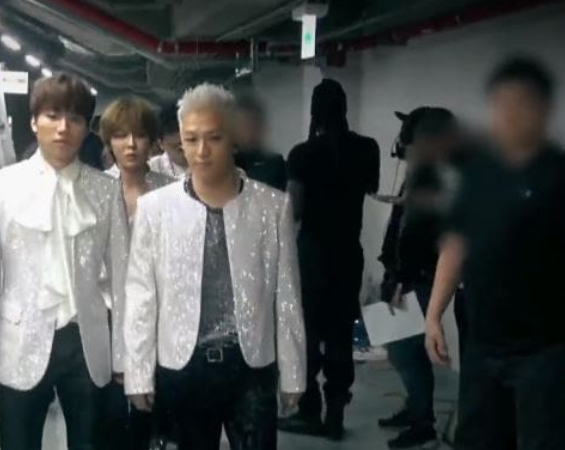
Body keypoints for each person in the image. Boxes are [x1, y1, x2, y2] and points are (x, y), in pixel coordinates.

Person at [124, 83, 306, 450]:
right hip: (183, 364)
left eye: (214, 138)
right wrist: (138, 372)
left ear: (233, 138)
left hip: (251, 365)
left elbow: (287, 294)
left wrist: (294, 372)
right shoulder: (156, 209)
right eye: (191, 140)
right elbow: (142, 296)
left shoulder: (271, 207)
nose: (201, 151)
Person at [0, 73, 129, 450]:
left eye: (75, 118)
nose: (63, 127)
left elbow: (121, 278)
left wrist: (125, 354)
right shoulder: (0, 187)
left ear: (87, 128)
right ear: (35, 121)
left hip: (87, 342)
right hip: (19, 339)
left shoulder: (106, 190)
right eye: (53, 115)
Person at [425, 57, 565, 450]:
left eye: (521, 102)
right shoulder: (480, 175)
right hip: (483, 346)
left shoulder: (557, 176)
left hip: (544, 352)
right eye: (501, 103)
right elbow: (455, 246)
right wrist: (434, 314)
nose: (510, 113)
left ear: (543, 108)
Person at [279, 78, 380, 440]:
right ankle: (335, 411)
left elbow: (295, 210)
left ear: (314, 111)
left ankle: (309, 411)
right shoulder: (368, 148)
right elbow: (371, 188)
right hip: (348, 253)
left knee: (307, 334)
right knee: (340, 333)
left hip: (312, 255)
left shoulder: (302, 154)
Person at [377, 107, 460, 449]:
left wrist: (402, 279)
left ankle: (422, 422)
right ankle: (416, 407)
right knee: (397, 347)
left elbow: (421, 234)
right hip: (404, 273)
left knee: (404, 350)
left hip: (417, 276)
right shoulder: (423, 175)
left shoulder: (441, 177)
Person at [96, 96, 174, 450]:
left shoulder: (171, 191)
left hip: (160, 316)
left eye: (140, 135)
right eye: (120, 135)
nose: (130, 144)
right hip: (106, 315)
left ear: (153, 140)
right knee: (109, 419)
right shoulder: (94, 190)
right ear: (108, 140)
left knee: (155, 414)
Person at [233, 94, 287, 191]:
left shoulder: (277, 166)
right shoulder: (226, 165)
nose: (246, 130)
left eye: (249, 124)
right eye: (241, 124)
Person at [149, 102, 189, 178]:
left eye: (191, 142)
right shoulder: (152, 170)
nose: (186, 151)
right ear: (161, 144)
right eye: (179, 148)